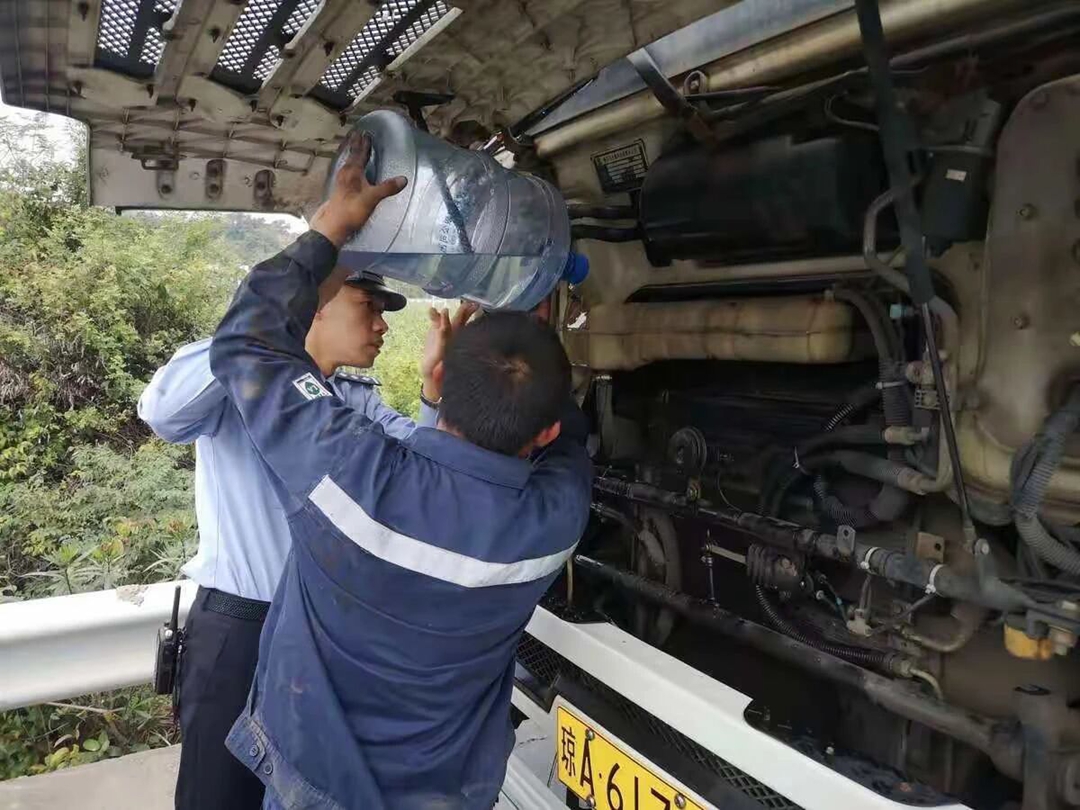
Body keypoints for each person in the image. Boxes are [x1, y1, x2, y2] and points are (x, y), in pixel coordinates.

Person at [208, 131, 592, 810]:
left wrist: (335, 227)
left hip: (314, 789)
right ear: (547, 432)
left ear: (441, 380)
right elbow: (565, 438)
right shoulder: (553, 523)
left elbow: (246, 345)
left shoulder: (353, 473)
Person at [139, 261, 473, 810]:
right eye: (368, 307)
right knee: (219, 796)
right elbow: (162, 412)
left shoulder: (352, 398)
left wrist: (435, 395)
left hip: (324, 638)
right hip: (242, 628)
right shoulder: (240, 374)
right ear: (315, 302)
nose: (382, 325)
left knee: (309, 795)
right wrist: (262, 327)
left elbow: (424, 478)